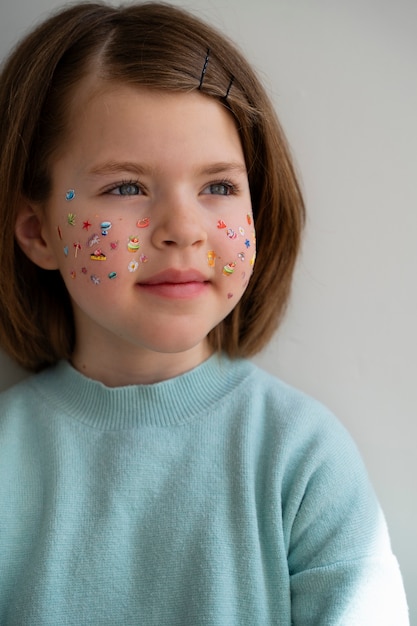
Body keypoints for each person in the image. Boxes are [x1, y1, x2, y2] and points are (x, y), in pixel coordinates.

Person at [0, 2, 409, 624]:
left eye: (218, 186)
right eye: (126, 187)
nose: (184, 230)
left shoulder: (302, 458)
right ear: (37, 231)